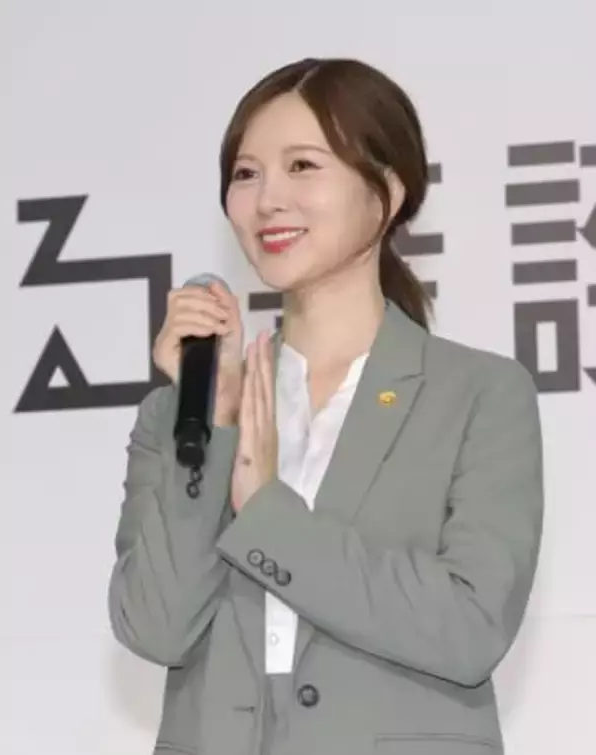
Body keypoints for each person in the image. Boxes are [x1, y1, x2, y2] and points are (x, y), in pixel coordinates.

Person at [108, 57, 543, 755]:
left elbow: (470, 626)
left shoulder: (480, 394)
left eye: (303, 166)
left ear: (387, 193)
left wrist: (266, 513)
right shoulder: (180, 414)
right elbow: (155, 627)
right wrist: (215, 430)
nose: (267, 200)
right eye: (246, 174)